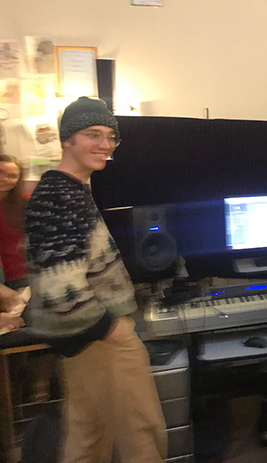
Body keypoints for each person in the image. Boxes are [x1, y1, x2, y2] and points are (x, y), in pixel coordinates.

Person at [24, 97, 167, 463]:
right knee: (141, 435)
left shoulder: (68, 189)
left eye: (110, 136)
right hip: (100, 339)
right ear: (67, 139)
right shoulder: (61, 195)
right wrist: (109, 328)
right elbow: (60, 288)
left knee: (88, 436)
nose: (105, 144)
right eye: (93, 134)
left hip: (85, 341)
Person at [0, 154, 28, 289]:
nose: (4, 179)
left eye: (12, 176)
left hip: (20, 276)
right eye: (0, 172)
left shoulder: (25, 203)